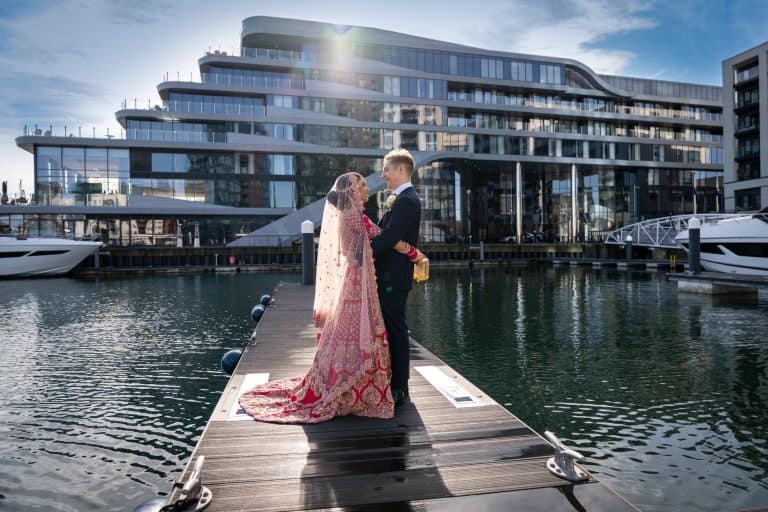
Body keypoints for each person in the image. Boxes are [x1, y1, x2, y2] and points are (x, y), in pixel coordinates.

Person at [238, 172, 420, 423]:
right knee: (361, 330)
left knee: (347, 332)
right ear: (352, 191)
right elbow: (377, 241)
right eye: (362, 187)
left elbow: (356, 248)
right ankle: (354, 386)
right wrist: (414, 252)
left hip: (353, 281)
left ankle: (348, 377)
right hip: (359, 283)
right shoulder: (355, 217)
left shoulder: (346, 216)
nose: (366, 191)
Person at [371, 149, 422, 407]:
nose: (383, 175)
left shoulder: (407, 201)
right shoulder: (401, 199)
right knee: (391, 330)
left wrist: (363, 252)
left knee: (397, 330)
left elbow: (389, 238)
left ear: (401, 170)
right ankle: (393, 380)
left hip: (394, 278)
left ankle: (400, 387)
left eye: (387, 169)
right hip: (389, 276)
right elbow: (385, 233)